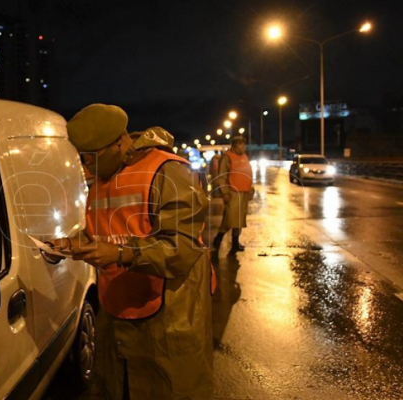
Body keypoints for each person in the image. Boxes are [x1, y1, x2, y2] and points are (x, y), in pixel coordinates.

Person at [53, 104, 214, 399]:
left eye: (92, 157)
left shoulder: (168, 171)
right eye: (82, 158)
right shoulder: (101, 179)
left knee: (169, 389)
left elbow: (183, 247)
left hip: (169, 315)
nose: (87, 167)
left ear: (119, 142)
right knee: (120, 387)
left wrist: (121, 254)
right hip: (117, 310)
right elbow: (100, 230)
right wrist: (71, 244)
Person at [212, 134, 254, 253]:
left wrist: (251, 189)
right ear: (235, 146)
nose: (244, 147)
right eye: (242, 145)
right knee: (229, 220)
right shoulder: (227, 157)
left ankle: (235, 243)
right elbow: (222, 176)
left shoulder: (245, 157)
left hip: (244, 192)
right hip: (232, 193)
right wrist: (225, 192)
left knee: (239, 220)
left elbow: (249, 174)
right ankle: (217, 240)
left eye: (244, 144)